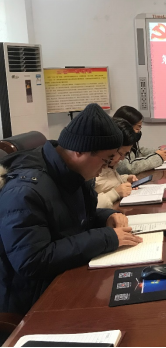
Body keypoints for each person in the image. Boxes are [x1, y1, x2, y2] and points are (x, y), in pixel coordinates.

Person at [0, 103, 143, 315]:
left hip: (66, 276)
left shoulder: (71, 173)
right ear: (79, 151)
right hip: (34, 301)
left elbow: (74, 219)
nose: (106, 167)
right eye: (105, 160)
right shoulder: (24, 191)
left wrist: (107, 216)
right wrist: (106, 238)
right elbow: (33, 261)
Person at [113, 106, 166, 175]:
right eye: (137, 129)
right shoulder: (116, 145)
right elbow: (128, 168)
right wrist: (158, 158)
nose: (138, 132)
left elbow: (137, 152)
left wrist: (157, 151)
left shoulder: (127, 144)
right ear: (125, 127)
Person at [95, 118, 139, 209]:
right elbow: (86, 206)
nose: (122, 158)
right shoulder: (91, 169)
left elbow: (108, 181)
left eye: (125, 154)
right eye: (121, 153)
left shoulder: (110, 165)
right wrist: (115, 194)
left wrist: (125, 179)